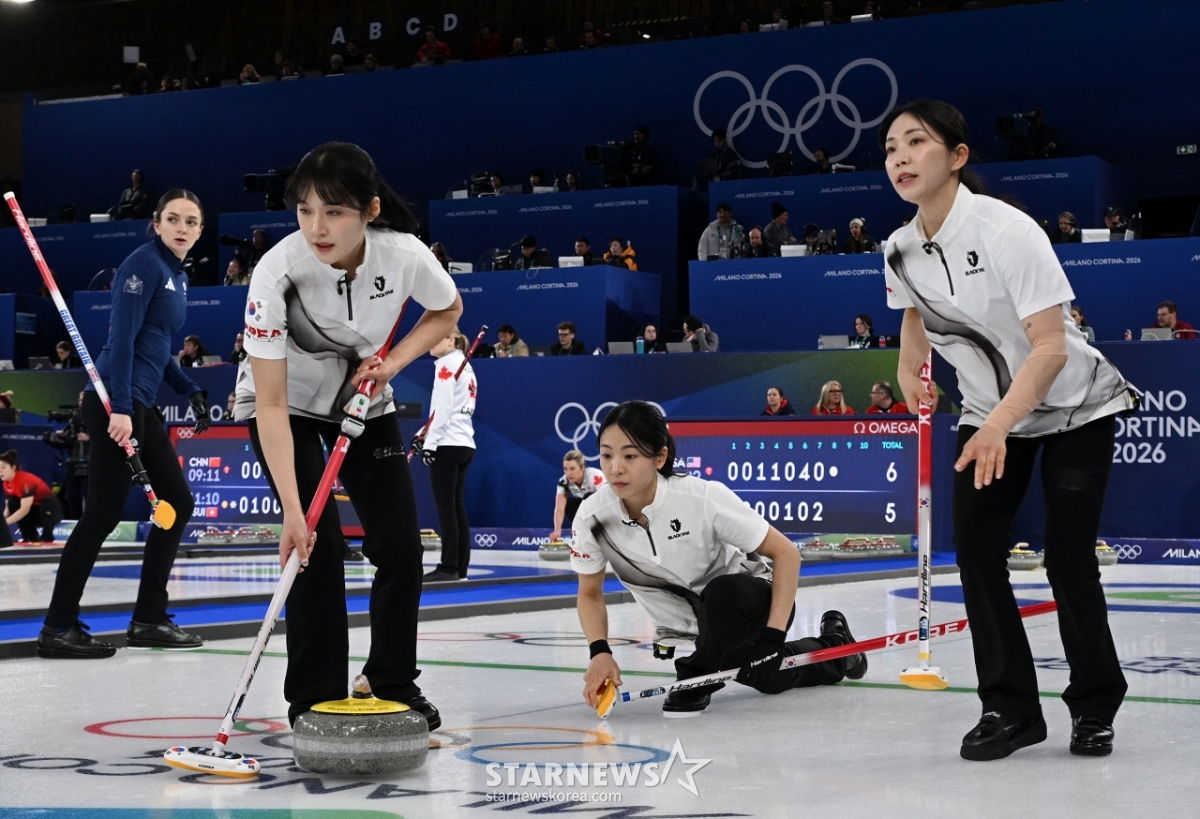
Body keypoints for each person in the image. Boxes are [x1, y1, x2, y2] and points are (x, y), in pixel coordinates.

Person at [880, 98, 1138, 760]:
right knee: (976, 549)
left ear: (958, 156)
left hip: (1074, 405)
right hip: (987, 412)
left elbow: (1049, 347)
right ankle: (1010, 707)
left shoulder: (1007, 230)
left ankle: (1094, 704)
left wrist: (997, 424)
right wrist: (909, 369)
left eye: (916, 142)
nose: (900, 157)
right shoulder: (899, 249)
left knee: (1068, 556)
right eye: (890, 148)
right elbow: (913, 314)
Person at [234, 141, 461, 728]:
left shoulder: (404, 254)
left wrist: (393, 363)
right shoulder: (276, 273)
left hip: (362, 396)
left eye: (334, 211)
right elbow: (272, 402)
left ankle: (391, 680)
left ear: (370, 210)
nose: (317, 227)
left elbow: (447, 310)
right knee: (317, 543)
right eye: (305, 210)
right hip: (285, 405)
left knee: (401, 548)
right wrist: (293, 512)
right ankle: (314, 697)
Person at [574, 401, 867, 716]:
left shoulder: (699, 497)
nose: (615, 468)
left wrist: (772, 637)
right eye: (606, 455)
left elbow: (786, 554)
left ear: (659, 458)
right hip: (706, 631)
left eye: (630, 456)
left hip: (751, 605)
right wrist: (599, 652)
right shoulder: (593, 517)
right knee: (767, 676)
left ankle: (694, 678)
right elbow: (589, 593)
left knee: (722, 592)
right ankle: (838, 648)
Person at [38, 189, 211, 658]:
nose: (181, 227)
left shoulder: (177, 275)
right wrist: (119, 408)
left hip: (140, 401)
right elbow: (122, 340)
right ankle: (58, 626)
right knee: (103, 513)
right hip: (118, 399)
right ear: (156, 222)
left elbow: (156, 347)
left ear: (200, 230)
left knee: (177, 503)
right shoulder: (142, 264)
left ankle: (149, 618)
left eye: (191, 221)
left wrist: (190, 389)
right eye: (173, 219)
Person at [415, 329, 478, 583]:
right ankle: (460, 568)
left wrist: (430, 444)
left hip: (447, 443)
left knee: (446, 509)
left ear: (451, 340)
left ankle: (449, 566)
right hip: (464, 442)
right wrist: (423, 434)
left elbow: (442, 409)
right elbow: (447, 409)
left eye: (436, 337)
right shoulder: (466, 366)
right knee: (456, 507)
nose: (430, 341)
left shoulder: (445, 364)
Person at [0, 452, 62, 545]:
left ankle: (47, 537)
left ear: (13, 468)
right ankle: (30, 537)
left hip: (52, 512)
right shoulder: (6, 484)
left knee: (47, 502)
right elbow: (8, 509)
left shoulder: (25, 481)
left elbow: (25, 509)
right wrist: (1, 522)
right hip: (35, 512)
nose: (0, 471)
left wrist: (4, 524)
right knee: (13, 502)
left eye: (3, 467)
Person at [549, 449, 605, 542]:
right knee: (569, 504)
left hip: (602, 508)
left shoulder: (596, 477)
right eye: (565, 469)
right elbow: (559, 508)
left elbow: (607, 501)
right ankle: (581, 530)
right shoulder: (564, 482)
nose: (568, 473)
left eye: (572, 469)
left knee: (588, 497)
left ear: (582, 468)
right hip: (585, 509)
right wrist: (557, 530)